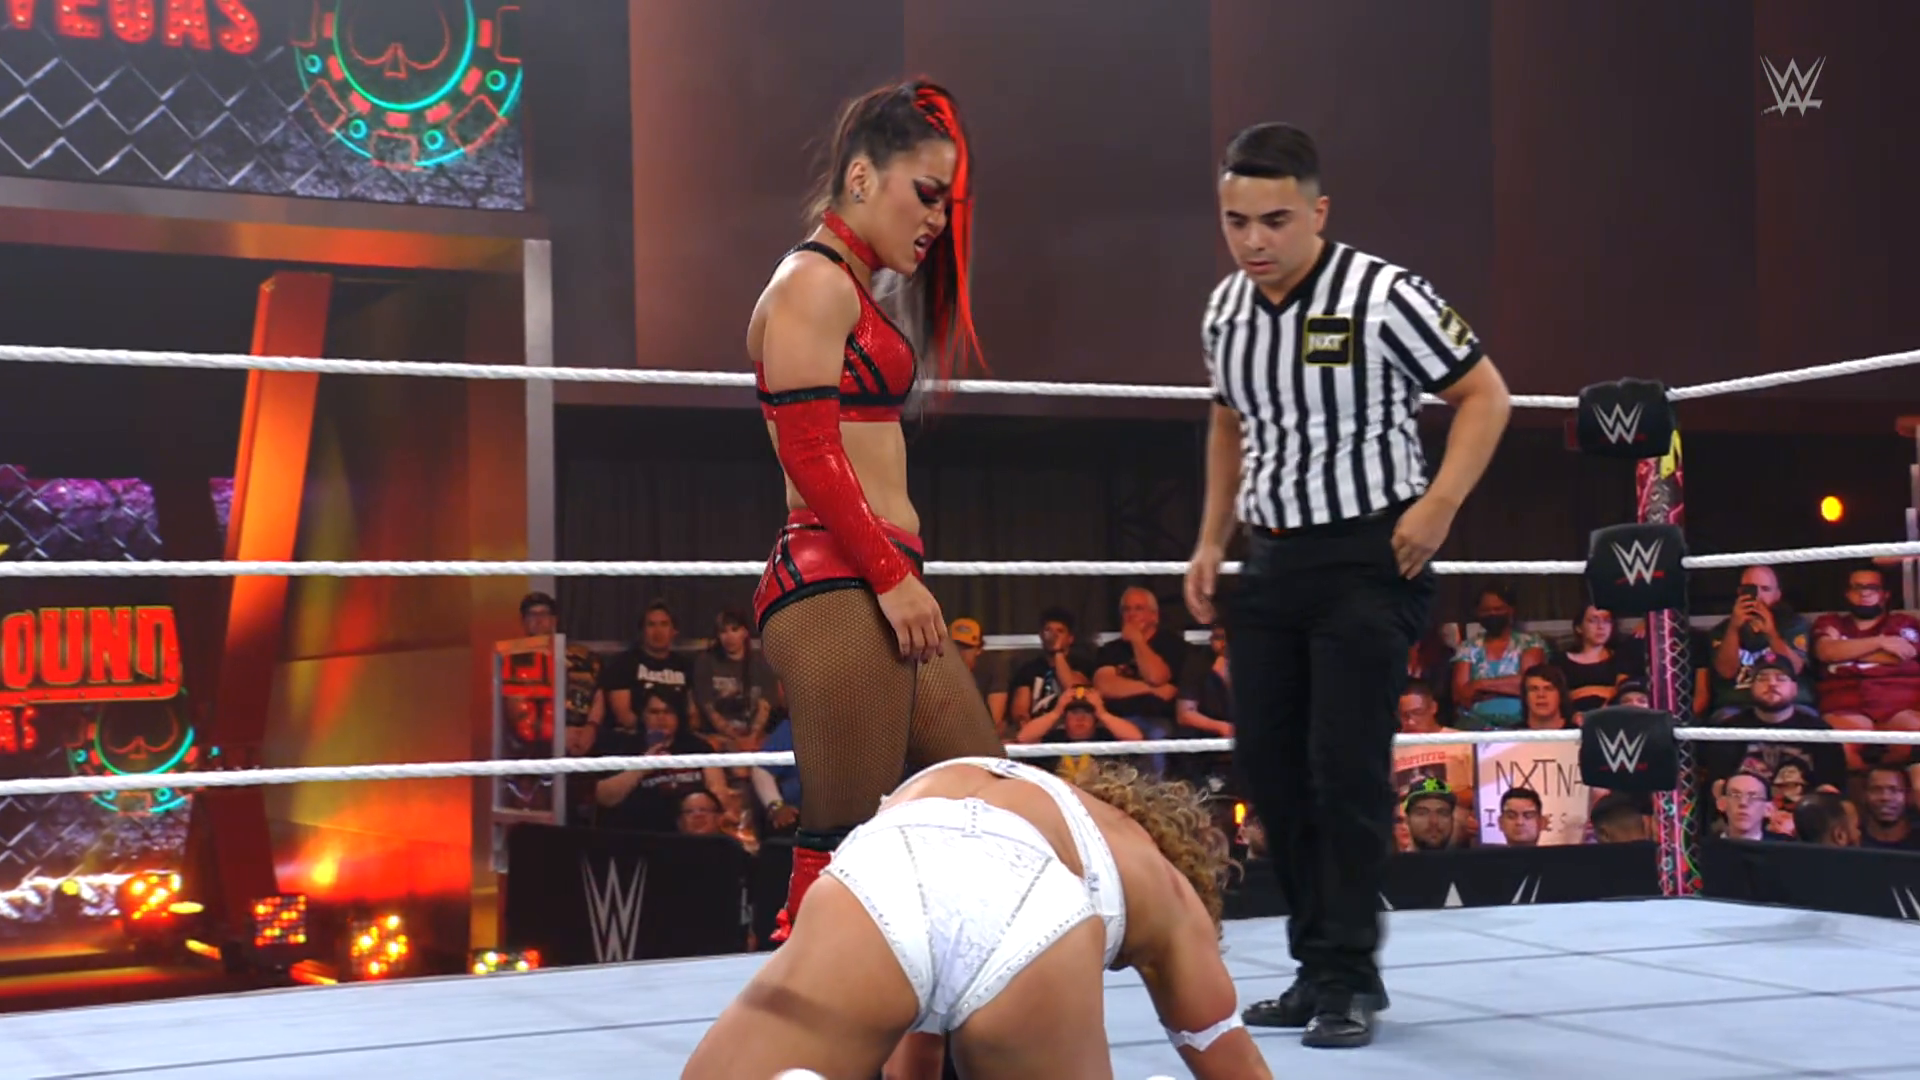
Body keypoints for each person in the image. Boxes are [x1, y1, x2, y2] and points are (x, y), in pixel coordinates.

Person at [1184, 122, 1512, 1048]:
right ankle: (1313, 965)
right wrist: (1210, 538)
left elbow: (1486, 394)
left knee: (1346, 768)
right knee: (1271, 771)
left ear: (1318, 212)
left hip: (1371, 558)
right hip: (1273, 560)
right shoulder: (1226, 310)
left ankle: (1347, 976)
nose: (1254, 241)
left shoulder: (1385, 294)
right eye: (1237, 221)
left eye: (1275, 220)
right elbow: (1227, 422)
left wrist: (1439, 505)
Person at [746, 77, 1005, 945]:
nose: (935, 220)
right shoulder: (811, 284)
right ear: (861, 177)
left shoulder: (845, 288)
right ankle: (798, 1025)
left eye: (944, 202)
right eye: (925, 194)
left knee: (988, 807)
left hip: (871, 582)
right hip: (843, 581)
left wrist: (893, 578)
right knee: (840, 862)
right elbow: (809, 451)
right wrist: (892, 577)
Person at [680, 758, 1268, 1080]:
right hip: (1037, 899)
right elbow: (1228, 1057)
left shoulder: (1004, 778)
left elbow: (918, 1053)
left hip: (889, 860)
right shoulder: (1169, 886)